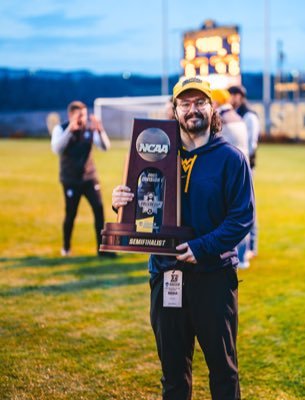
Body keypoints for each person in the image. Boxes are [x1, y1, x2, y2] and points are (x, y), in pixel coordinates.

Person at [112, 77, 254, 399]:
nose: (193, 109)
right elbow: (146, 208)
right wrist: (123, 201)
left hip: (213, 277)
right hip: (166, 274)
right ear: (174, 110)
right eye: (185, 103)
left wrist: (201, 248)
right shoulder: (156, 155)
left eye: (199, 102)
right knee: (173, 375)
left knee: (223, 371)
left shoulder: (231, 159)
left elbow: (241, 218)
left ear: (211, 107)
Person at [51, 100, 112, 257]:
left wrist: (100, 130)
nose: (82, 118)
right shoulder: (61, 129)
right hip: (70, 180)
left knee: (99, 210)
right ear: (71, 115)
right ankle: (66, 248)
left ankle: (102, 250)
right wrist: (70, 130)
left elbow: (105, 147)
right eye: (79, 115)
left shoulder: (90, 129)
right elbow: (56, 148)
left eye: (84, 115)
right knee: (71, 214)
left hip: (89, 178)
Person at [211, 88, 250, 268]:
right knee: (243, 213)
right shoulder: (238, 116)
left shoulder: (221, 118)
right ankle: (243, 256)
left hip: (228, 172)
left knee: (228, 216)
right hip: (244, 167)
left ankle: (233, 257)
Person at [228, 85, 261, 259]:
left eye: (233, 95)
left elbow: (251, 144)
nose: (231, 98)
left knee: (248, 205)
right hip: (237, 167)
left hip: (246, 166)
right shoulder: (236, 114)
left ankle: (251, 247)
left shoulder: (249, 116)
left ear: (241, 96)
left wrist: (243, 164)